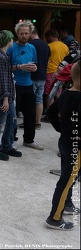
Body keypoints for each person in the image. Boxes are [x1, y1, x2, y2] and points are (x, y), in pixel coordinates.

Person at [45, 60, 80, 230]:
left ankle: (66, 204)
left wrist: (62, 130)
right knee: (66, 181)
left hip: (65, 142)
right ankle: (55, 218)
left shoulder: (66, 94)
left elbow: (51, 112)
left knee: (68, 177)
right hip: (75, 148)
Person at [7, 20, 44, 151]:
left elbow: (35, 64)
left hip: (29, 84)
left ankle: (29, 140)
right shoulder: (11, 48)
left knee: (30, 114)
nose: (24, 35)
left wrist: (34, 68)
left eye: (26, 33)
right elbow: (5, 67)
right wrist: (19, 66)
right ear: (17, 33)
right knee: (13, 114)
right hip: (15, 84)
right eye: (21, 33)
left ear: (30, 34)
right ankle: (12, 140)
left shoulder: (32, 48)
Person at [0, 30, 22, 161]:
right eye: (11, 39)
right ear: (8, 41)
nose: (13, 41)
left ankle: (6, 146)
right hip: (3, 96)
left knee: (12, 121)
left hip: (7, 95)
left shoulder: (2, 55)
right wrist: (6, 99)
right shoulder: (1, 57)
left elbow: (0, 77)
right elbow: (2, 81)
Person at [29, 28, 51, 130]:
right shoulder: (46, 45)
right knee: (39, 99)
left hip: (32, 75)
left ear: (30, 33)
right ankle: (38, 122)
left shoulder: (30, 45)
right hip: (43, 75)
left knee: (29, 100)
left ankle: (29, 121)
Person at [43, 29, 69, 113]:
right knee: (58, 93)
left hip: (50, 71)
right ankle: (60, 112)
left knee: (49, 93)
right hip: (61, 72)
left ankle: (50, 113)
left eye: (46, 37)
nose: (46, 39)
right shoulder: (65, 47)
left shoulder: (49, 46)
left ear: (50, 36)